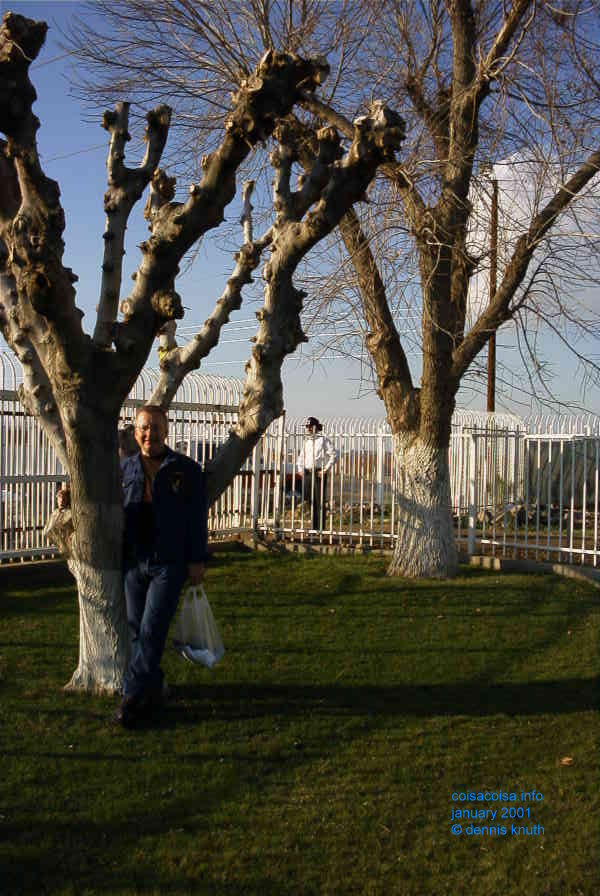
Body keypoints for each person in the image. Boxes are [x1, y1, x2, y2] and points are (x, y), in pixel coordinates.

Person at [114, 404, 210, 727]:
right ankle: (152, 693)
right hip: (134, 561)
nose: (148, 434)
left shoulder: (184, 469)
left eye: (155, 427)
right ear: (135, 431)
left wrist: (197, 559)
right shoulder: (124, 468)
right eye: (143, 427)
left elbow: (197, 518)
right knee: (136, 630)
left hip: (169, 562)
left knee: (152, 629)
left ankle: (130, 695)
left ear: (166, 430)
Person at [296, 417, 338, 531]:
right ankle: (314, 528)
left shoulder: (323, 440)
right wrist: (300, 470)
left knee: (319, 501)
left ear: (316, 427)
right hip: (307, 473)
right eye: (307, 427)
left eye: (310, 427)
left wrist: (325, 469)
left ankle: (320, 528)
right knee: (310, 500)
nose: (308, 429)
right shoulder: (307, 442)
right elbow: (301, 458)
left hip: (318, 473)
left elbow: (334, 454)